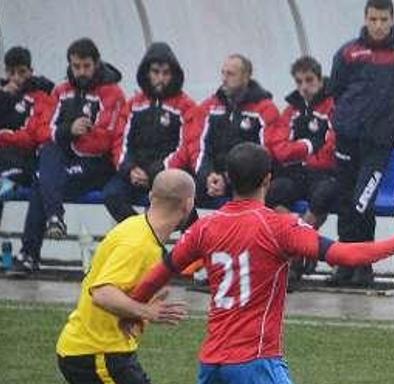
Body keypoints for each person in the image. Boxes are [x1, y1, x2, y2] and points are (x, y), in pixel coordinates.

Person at [126, 142, 394, 384]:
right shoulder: (278, 226)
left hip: (214, 361)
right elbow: (344, 255)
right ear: (268, 180)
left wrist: (132, 307)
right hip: (255, 362)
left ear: (227, 179)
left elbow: (160, 271)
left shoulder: (205, 228)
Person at [55, 169, 194, 384]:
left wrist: (135, 309)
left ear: (151, 197)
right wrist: (146, 311)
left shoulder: (134, 227)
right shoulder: (139, 243)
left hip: (107, 348)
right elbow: (101, 292)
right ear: (187, 205)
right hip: (95, 353)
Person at [10, 38, 124, 276]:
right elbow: (42, 132)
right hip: (65, 161)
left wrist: (66, 139)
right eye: (76, 66)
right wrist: (68, 131)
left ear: (96, 64)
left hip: (97, 166)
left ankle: (30, 253)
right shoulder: (61, 91)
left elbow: (102, 140)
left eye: (86, 66)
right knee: (48, 155)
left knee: (43, 179)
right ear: (70, 65)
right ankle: (51, 222)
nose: (81, 72)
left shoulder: (111, 92)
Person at [328, 0, 394, 287]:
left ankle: (363, 262)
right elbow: (335, 88)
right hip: (348, 138)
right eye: (373, 19)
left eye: (384, 19)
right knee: (346, 200)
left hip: (379, 143)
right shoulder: (349, 52)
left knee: (363, 200)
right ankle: (347, 263)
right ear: (365, 18)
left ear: (393, 19)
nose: (379, 25)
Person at [103, 42, 196, 223]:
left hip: (167, 174)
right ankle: (142, 235)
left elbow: (186, 147)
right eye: (155, 72)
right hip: (135, 172)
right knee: (111, 194)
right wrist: (130, 169)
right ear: (147, 73)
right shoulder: (133, 105)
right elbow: (120, 143)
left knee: (178, 202)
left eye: (166, 73)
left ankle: (186, 247)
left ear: (174, 74)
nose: (160, 78)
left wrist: (157, 172)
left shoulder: (186, 106)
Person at [186, 54, 279, 209]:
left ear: (246, 77)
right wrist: (208, 175)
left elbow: (265, 155)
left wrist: (227, 179)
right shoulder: (210, 106)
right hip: (212, 180)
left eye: (230, 74)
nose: (224, 78)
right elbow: (198, 147)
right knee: (181, 192)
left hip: (247, 184)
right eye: (223, 73)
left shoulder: (265, 109)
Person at [268, 55, 336, 229]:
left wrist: (302, 155)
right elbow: (280, 148)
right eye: (299, 82)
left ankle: (302, 243)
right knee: (273, 191)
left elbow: (332, 147)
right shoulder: (292, 110)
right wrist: (308, 146)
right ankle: (297, 237)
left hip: (324, 173)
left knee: (325, 194)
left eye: (309, 80)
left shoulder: (333, 105)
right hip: (297, 172)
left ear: (320, 79)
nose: (304, 87)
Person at [0, 46, 54, 219]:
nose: (16, 78)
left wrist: (4, 135)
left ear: (31, 71)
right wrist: (4, 97)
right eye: (11, 72)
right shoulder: (2, 93)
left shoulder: (40, 95)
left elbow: (32, 136)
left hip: (24, 160)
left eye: (22, 72)